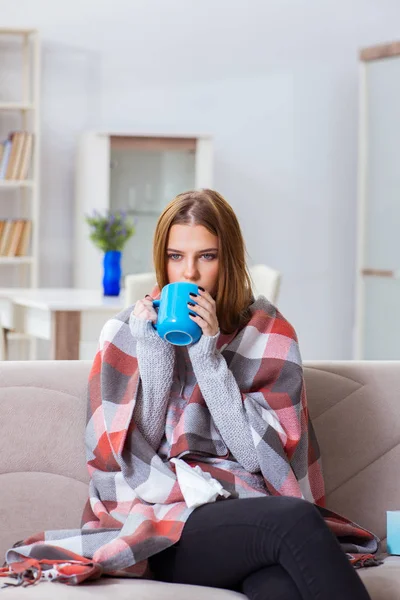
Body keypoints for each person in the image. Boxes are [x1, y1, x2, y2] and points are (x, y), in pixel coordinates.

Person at [2, 189, 377, 597]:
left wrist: (208, 356)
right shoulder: (127, 333)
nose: (189, 275)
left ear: (229, 259)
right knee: (299, 521)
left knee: (280, 587)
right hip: (157, 524)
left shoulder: (268, 332)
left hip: (245, 512)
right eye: (176, 256)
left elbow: (261, 459)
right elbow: (122, 458)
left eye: (207, 256)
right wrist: (155, 356)